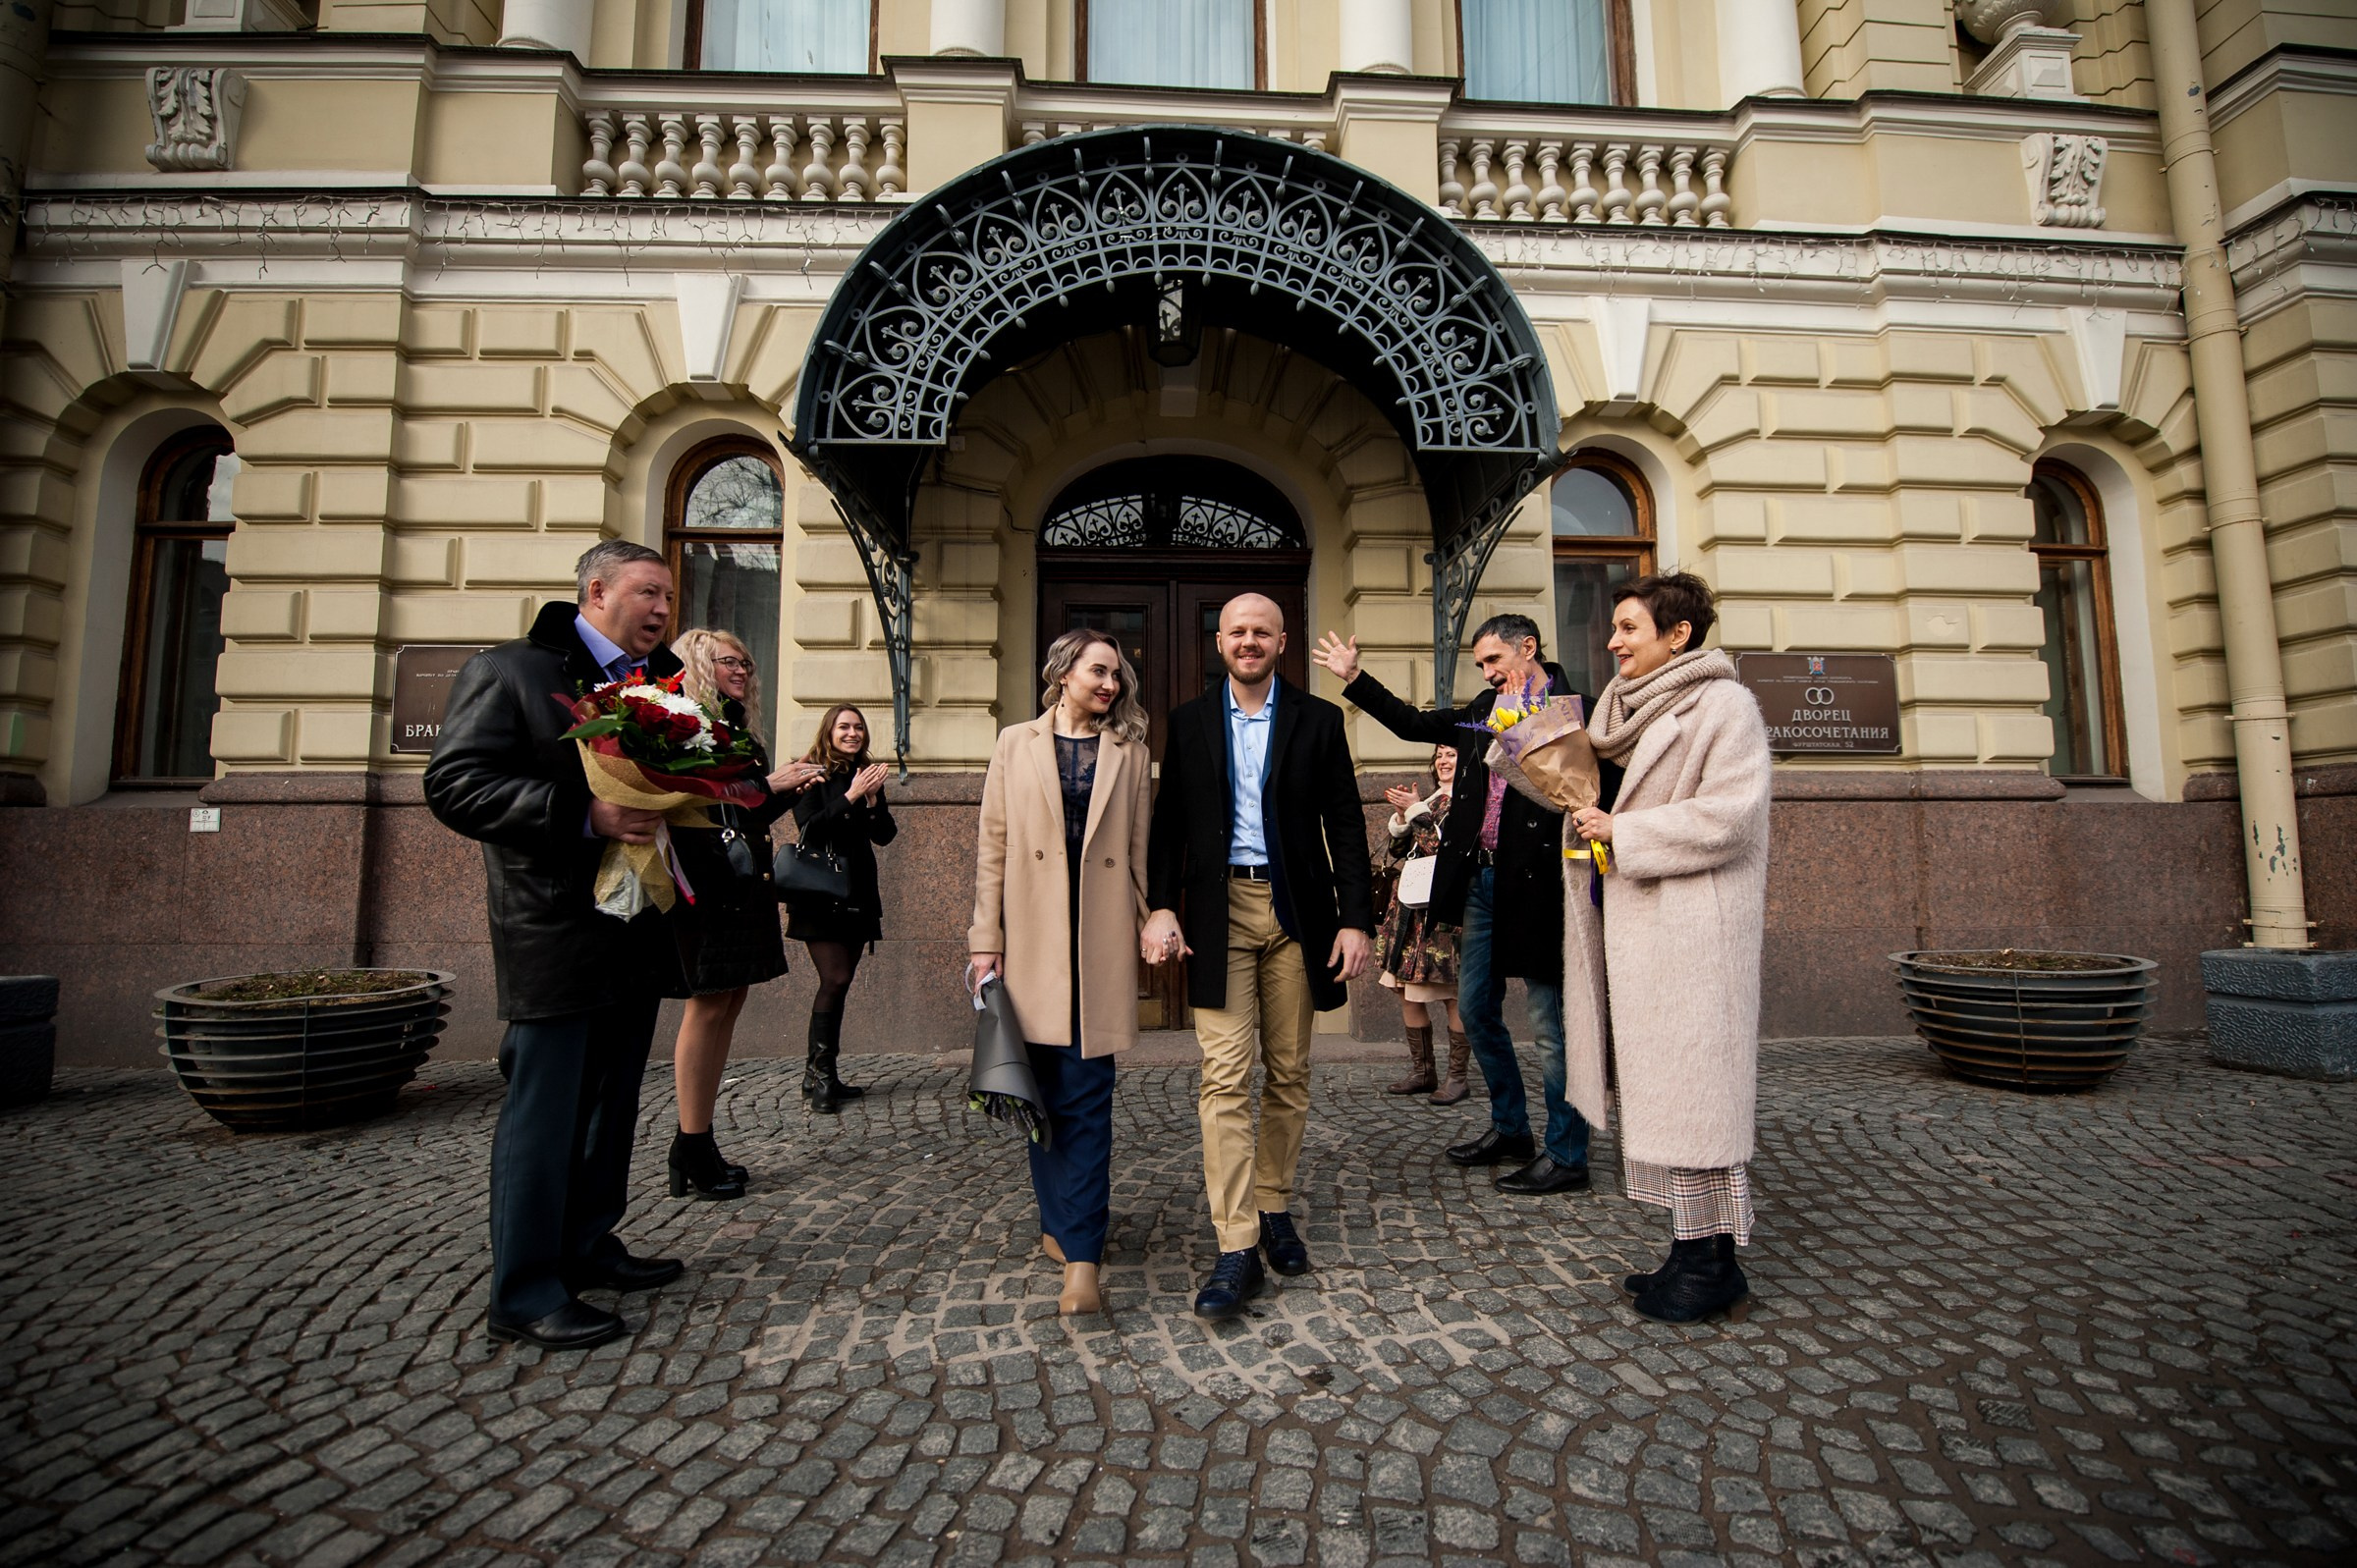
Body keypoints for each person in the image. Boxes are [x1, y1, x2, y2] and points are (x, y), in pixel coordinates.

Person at [423, 539, 691, 1353]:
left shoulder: (663, 683)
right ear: (597, 590)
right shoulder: (510, 671)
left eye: (669, 599)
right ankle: (526, 1286)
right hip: (553, 928)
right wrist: (584, 814)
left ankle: (587, 1241)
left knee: (610, 1103)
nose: (661, 610)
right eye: (648, 592)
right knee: (545, 1110)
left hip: (635, 920)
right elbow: (455, 783)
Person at [1311, 614, 1620, 1198]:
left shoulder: (1577, 708)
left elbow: (1611, 782)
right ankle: (1510, 1130)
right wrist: (1355, 678)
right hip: (1478, 881)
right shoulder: (1482, 708)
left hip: (1546, 885)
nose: (1487, 672)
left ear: (1528, 649)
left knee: (1553, 1026)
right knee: (1476, 1009)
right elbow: (1413, 724)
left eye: (1494, 660)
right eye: (1480, 664)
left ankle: (1567, 1153)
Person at [1145, 593, 1376, 1321]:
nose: (1249, 642)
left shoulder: (1317, 720)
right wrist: (1159, 905)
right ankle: (1237, 1240)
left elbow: (1344, 820)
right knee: (1223, 1075)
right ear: (1220, 641)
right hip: (1219, 914)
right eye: (1237, 631)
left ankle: (1275, 1204)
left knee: (1290, 1069)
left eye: (1262, 632)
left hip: (1297, 915)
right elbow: (1167, 824)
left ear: (1282, 640)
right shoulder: (1187, 722)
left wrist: (1355, 920)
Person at [1563, 572, 1772, 1325]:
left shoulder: (1724, 705)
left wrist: (1626, 833)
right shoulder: (1621, 713)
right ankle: (1687, 1249)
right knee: (1663, 1093)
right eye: (1614, 628)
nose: (1613, 640)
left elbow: (1732, 817)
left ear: (1677, 634)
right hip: (1638, 928)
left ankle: (1715, 1264)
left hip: (1693, 932)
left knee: (1699, 1101)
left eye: (1628, 627)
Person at [968, 630, 1154, 1316]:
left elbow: (1140, 854)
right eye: (1098, 670)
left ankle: (1083, 1257)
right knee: (1038, 1095)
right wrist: (985, 939)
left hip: (1097, 945)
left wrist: (1150, 919)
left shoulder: (1131, 754)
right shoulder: (1014, 743)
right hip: (1029, 945)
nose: (1110, 683)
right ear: (1063, 672)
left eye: (1117, 674)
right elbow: (993, 845)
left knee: (1087, 1096)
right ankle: (1059, 1220)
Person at [661, 629, 825, 1200]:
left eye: (749, 662)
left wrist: (783, 785)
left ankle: (699, 1141)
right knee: (706, 1008)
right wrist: (764, 784)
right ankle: (690, 1144)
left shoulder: (729, 723)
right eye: (733, 661)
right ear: (701, 664)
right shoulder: (680, 721)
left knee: (728, 1003)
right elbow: (690, 801)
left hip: (742, 879)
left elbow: (747, 810)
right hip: (708, 881)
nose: (745, 671)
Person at [785, 704, 896, 1111]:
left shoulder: (865, 774)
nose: (853, 734)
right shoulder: (810, 772)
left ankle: (817, 1073)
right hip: (819, 891)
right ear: (828, 731)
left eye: (859, 728)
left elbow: (884, 834)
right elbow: (810, 829)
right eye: (844, 727)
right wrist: (850, 795)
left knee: (842, 982)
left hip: (857, 891)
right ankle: (822, 1077)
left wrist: (869, 800)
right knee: (835, 977)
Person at [1373, 746, 1466, 1103]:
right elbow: (1403, 852)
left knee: (1451, 993)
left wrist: (1416, 811)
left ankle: (1457, 1077)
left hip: (1442, 914)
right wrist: (1402, 817)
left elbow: (1442, 851)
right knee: (1405, 989)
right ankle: (1423, 1071)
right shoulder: (1431, 799)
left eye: (1452, 755)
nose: (1443, 761)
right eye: (1439, 755)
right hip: (1410, 911)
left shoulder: (1469, 802)